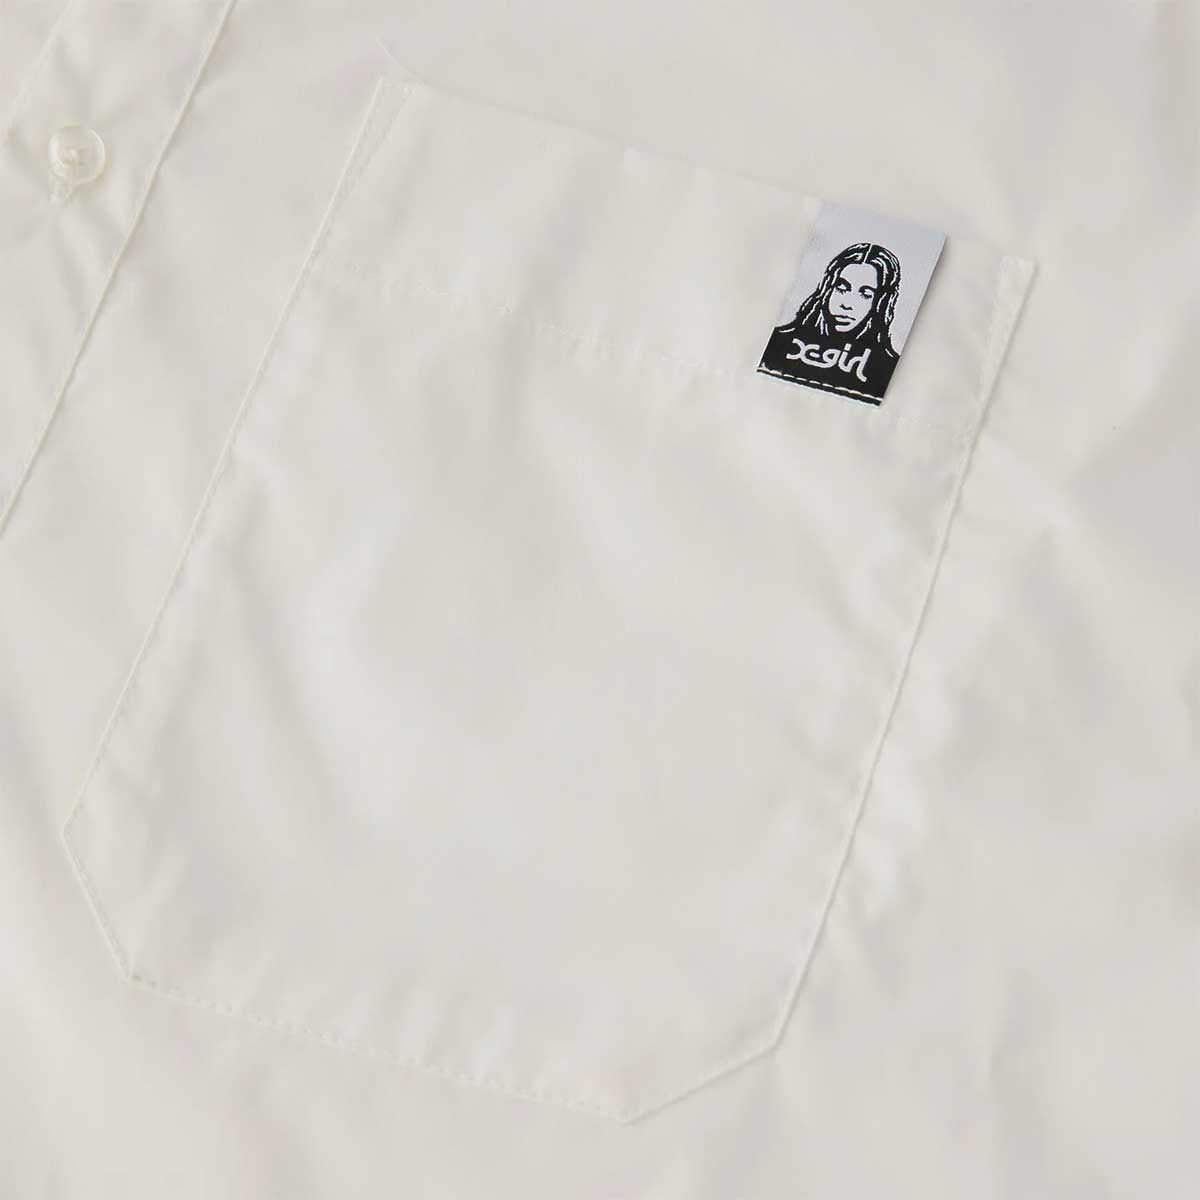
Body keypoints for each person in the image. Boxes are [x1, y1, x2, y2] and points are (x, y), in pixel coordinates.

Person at [759, 240, 902, 401]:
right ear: (827, 288)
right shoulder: (780, 340)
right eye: (841, 288)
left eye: (865, 294)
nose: (847, 304)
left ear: (881, 303)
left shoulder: (886, 367)